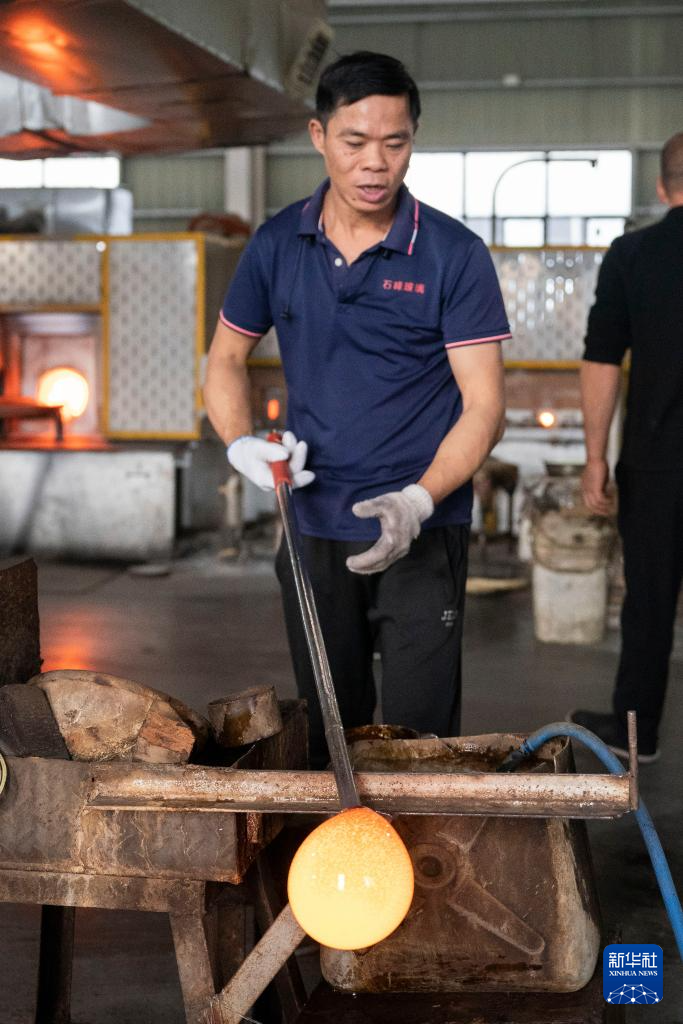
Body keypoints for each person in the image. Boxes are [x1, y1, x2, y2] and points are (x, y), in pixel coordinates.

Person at [204, 51, 510, 767]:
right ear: (319, 136)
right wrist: (240, 444)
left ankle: (417, 843)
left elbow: (485, 405)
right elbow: (223, 360)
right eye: (355, 141)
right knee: (326, 731)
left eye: (394, 143)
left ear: (412, 140)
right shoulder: (278, 244)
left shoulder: (453, 254)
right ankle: (339, 845)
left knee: (420, 742)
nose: (375, 163)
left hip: (422, 528)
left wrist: (417, 500)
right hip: (312, 526)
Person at [569, 131, 683, 764]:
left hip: (658, 464)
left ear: (663, 187)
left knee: (649, 601)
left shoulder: (633, 255)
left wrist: (595, 458)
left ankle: (636, 728)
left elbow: (602, 359)